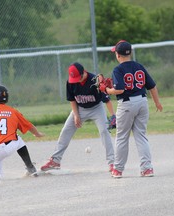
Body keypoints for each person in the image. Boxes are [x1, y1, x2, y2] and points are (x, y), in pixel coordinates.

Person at [40, 62, 115, 172]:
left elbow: (107, 100)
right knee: (66, 130)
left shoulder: (95, 81)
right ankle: (55, 160)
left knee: (104, 131)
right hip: (80, 108)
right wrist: (76, 115)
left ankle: (112, 162)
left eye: (77, 78)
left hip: (96, 108)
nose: (75, 81)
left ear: (83, 73)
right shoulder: (70, 82)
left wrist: (113, 115)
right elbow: (72, 99)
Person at [105, 40, 163, 178]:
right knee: (141, 136)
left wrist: (108, 90)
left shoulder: (118, 69)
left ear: (118, 55)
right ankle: (147, 169)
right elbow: (152, 86)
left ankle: (118, 169)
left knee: (122, 137)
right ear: (130, 52)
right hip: (142, 102)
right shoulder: (139, 66)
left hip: (126, 105)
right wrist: (157, 103)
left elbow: (119, 89)